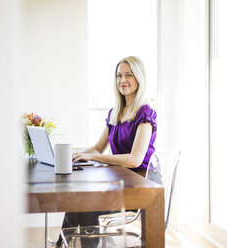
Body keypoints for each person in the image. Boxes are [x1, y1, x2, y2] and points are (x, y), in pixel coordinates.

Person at [56, 56, 157, 247]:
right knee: (77, 201)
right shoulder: (115, 112)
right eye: (119, 75)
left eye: (129, 75)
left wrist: (92, 156)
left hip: (142, 184)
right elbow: (97, 147)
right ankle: (61, 245)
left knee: (86, 207)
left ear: (139, 79)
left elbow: (135, 160)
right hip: (121, 181)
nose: (122, 80)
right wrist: (78, 155)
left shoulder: (145, 114)